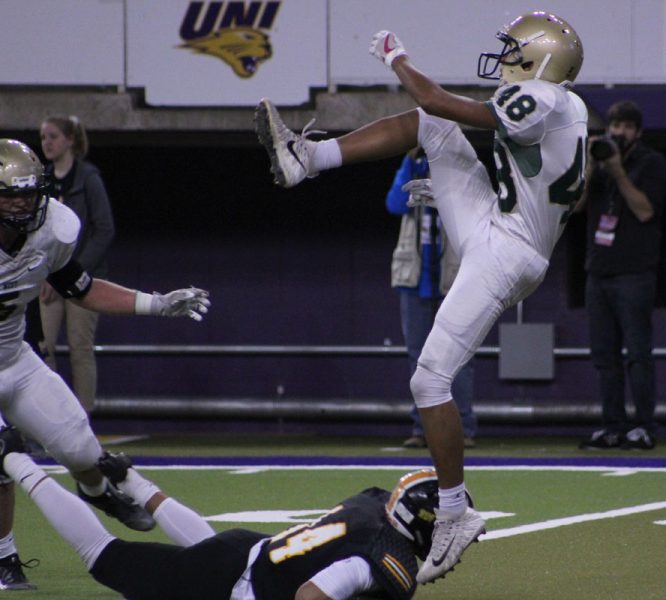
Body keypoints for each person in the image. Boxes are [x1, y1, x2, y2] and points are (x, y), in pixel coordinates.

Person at [255, 11, 586, 583]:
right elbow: (537, 180)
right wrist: (460, 193)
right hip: (502, 228)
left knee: (429, 379)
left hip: (505, 249)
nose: (504, 57)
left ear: (540, 57)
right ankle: (307, 159)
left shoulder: (549, 99)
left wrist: (395, 57)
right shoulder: (561, 111)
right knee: (427, 128)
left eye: (513, 48)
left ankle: (454, 511)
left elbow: (440, 99)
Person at [0, 138, 211, 588]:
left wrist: (155, 303)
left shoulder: (50, 231)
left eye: (28, 192)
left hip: (15, 357)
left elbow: (81, 287)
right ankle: (4, 558)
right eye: (9, 193)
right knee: (5, 455)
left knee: (80, 447)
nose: (21, 203)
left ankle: (97, 491)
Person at [0, 425, 441, 599]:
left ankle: (131, 481)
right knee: (102, 554)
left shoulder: (372, 506)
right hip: (229, 580)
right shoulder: (383, 558)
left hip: (247, 552)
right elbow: (311, 595)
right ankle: (13, 457)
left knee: (206, 546)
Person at [576, 101, 666, 451]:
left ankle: (645, 425)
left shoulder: (652, 163)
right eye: (616, 125)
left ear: (639, 132)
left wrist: (617, 170)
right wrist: (589, 163)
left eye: (628, 126)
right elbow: (575, 207)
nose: (620, 132)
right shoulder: (598, 165)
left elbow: (645, 211)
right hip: (598, 272)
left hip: (635, 274)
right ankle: (612, 424)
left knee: (637, 354)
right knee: (604, 356)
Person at [385, 147, 477, 450]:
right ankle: (422, 428)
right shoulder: (412, 167)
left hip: (452, 279)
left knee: (458, 357)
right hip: (415, 280)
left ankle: (462, 428)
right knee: (418, 357)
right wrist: (410, 161)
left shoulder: (461, 168)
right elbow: (395, 204)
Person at [39, 115, 116, 414]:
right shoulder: (42, 180)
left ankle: (82, 420)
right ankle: (46, 418)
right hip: (47, 280)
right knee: (41, 349)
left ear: (69, 140)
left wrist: (76, 271)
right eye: (43, 137)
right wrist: (45, 272)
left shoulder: (88, 178)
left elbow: (104, 229)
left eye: (53, 136)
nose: (47, 142)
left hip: (83, 278)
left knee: (80, 349)